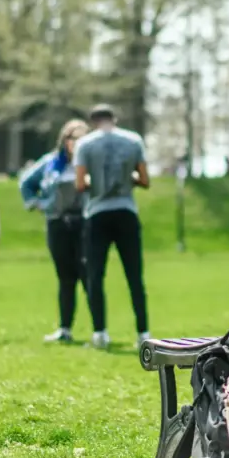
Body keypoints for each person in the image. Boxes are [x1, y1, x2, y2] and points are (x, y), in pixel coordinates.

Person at [74, 104, 151, 349]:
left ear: (93, 121)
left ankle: (100, 333)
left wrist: (94, 182)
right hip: (126, 211)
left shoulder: (85, 144)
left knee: (95, 274)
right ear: (114, 119)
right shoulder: (133, 140)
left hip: (98, 213)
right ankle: (143, 333)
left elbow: (80, 183)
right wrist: (129, 179)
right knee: (134, 275)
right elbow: (145, 180)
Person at [20, 119, 91, 343]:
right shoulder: (51, 163)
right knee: (66, 277)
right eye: (73, 138)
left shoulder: (91, 162)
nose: (76, 143)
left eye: (82, 138)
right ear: (65, 140)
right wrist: (38, 204)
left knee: (89, 276)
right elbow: (26, 183)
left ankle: (100, 330)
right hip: (58, 224)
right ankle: (65, 329)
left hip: (85, 224)